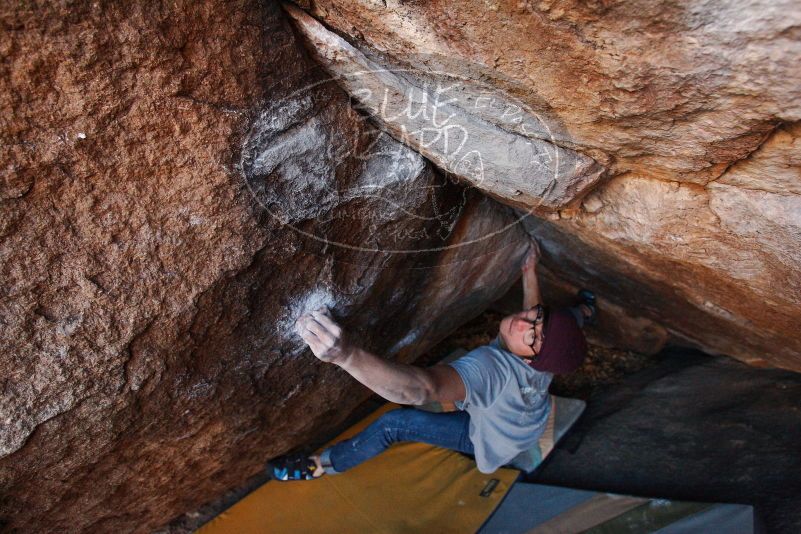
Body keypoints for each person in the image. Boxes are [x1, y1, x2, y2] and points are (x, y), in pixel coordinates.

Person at [268, 238, 595, 481]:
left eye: (532, 336)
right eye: (534, 317)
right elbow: (541, 321)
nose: (522, 323)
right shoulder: (548, 358)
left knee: (394, 424)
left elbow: (422, 390)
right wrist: (529, 271)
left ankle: (318, 466)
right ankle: (585, 311)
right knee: (565, 320)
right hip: (528, 423)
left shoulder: (491, 371)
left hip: (488, 438)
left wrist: (346, 355)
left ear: (532, 360)